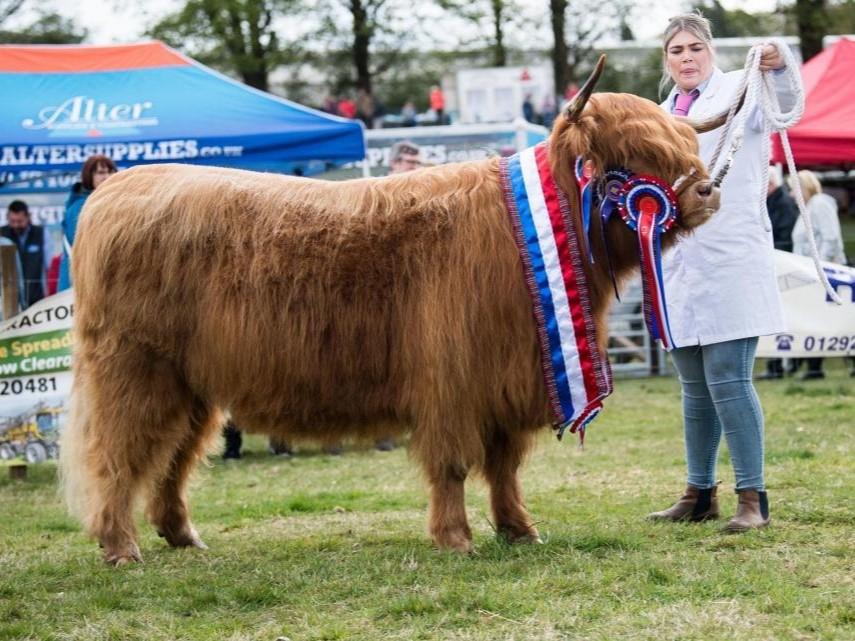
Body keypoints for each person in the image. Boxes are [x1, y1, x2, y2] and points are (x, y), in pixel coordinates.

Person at [646, 12, 797, 532]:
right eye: (675, 51)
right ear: (666, 61)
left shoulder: (741, 90)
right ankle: (699, 491)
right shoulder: (660, 111)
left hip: (730, 257)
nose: (686, 58)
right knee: (691, 383)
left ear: (710, 51)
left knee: (729, 379)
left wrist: (776, 60)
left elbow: (786, 107)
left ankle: (752, 497)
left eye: (694, 48)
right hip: (679, 263)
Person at [788, 170, 846, 380]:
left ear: (804, 187)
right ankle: (813, 366)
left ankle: (815, 367)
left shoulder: (819, 205)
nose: (792, 195)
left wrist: (817, 269)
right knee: (823, 320)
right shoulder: (808, 208)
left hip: (824, 275)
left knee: (832, 321)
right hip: (812, 274)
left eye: (794, 189)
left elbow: (830, 238)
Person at [757, 172, 799, 379]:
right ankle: (776, 365)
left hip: (783, 267)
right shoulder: (772, 202)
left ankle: (780, 365)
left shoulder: (781, 204)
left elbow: (784, 236)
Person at [58, 154, 118, 292]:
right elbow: (86, 246)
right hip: (78, 284)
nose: (107, 177)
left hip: (100, 281)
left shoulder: (111, 203)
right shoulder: (79, 206)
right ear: (88, 176)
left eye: (110, 172)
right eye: (101, 172)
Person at [1, 200, 49, 308]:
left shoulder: (41, 233)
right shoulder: (2, 235)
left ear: (28, 217)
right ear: (7, 218)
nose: (16, 225)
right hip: (9, 298)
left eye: (20, 221)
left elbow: (48, 267)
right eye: (12, 221)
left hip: (36, 297)